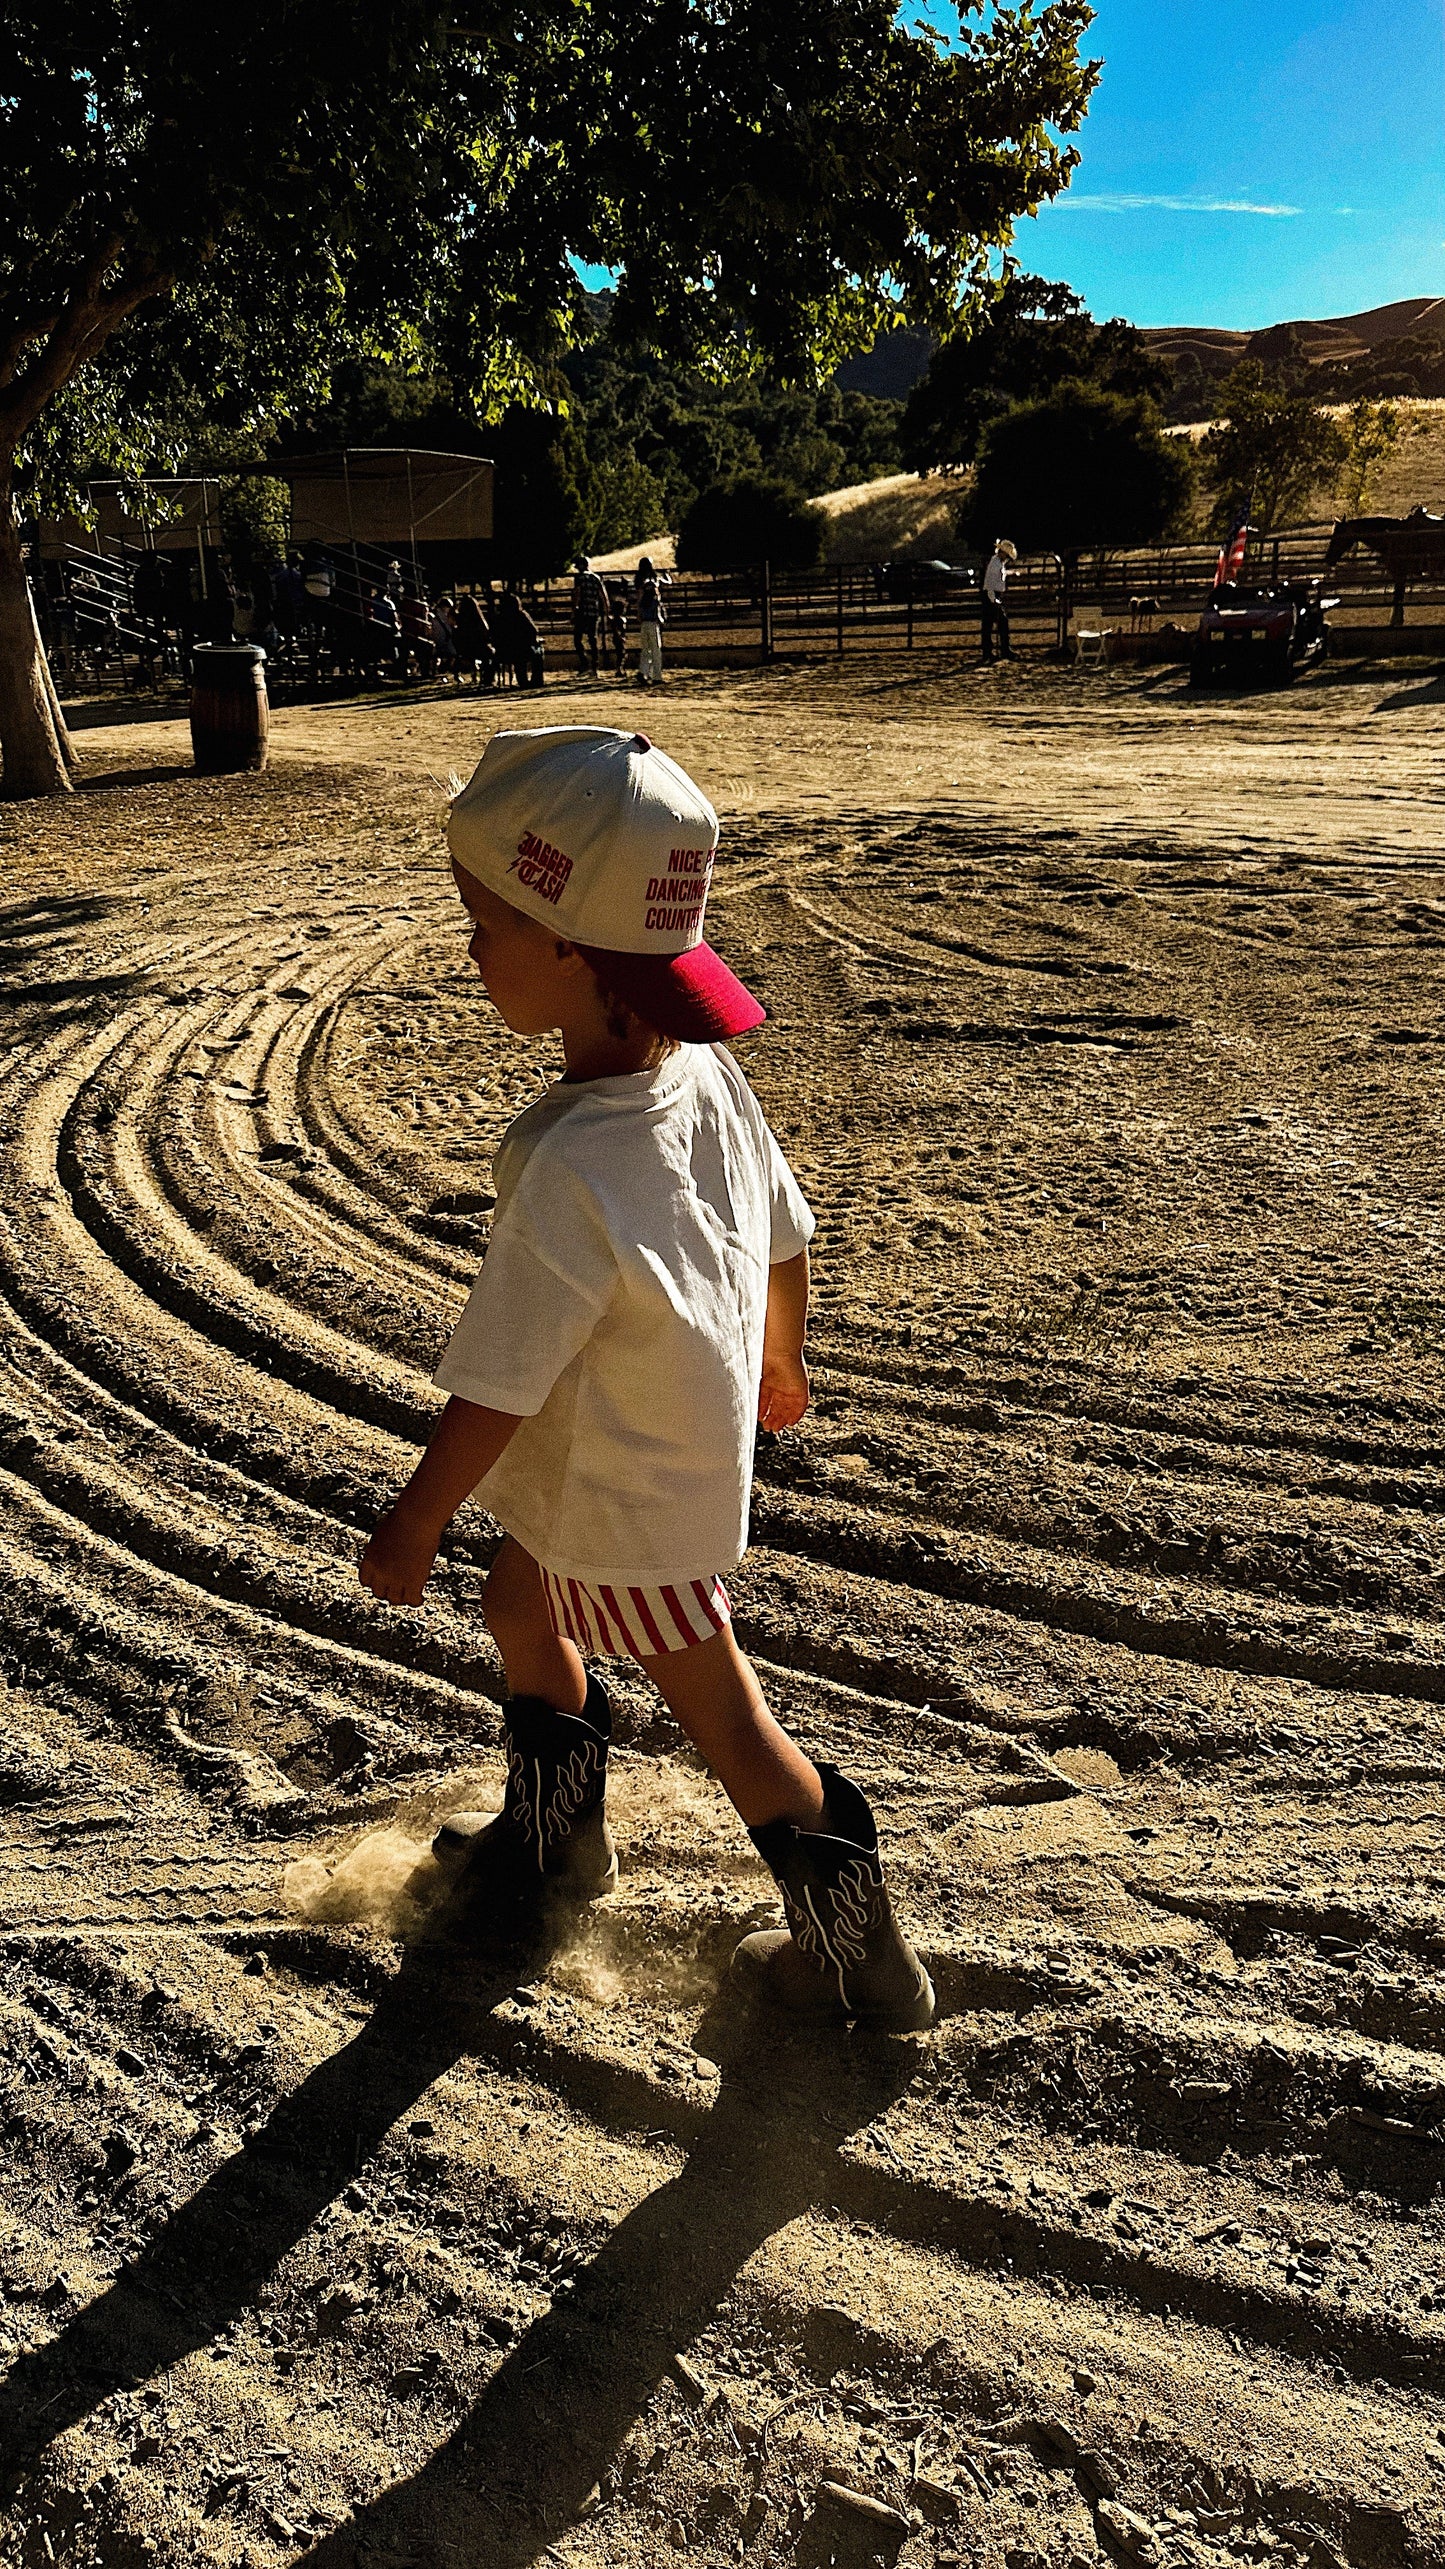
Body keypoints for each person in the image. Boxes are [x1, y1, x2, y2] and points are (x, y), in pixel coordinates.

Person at [357, 725, 934, 2032]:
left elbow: (499, 1379)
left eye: (485, 922)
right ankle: (557, 1844)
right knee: (520, 1605)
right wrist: (783, 1352)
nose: (469, 948)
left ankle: (861, 1961)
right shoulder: (702, 1074)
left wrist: (417, 1515)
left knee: (731, 1725)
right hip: (641, 1457)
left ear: (569, 947)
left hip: (631, 1497)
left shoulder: (572, 1171)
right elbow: (784, 1226)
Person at [492, 583, 543, 690]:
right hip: (523, 650)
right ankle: (536, 680)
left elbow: (493, 635)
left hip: (503, 652)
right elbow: (533, 630)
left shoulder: (498, 618)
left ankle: (522, 681)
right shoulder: (521, 615)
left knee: (519, 656)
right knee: (538, 652)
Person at [980, 536, 1016, 663]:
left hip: (993, 595)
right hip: (992, 595)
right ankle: (1000, 650)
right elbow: (990, 582)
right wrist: (993, 599)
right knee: (997, 623)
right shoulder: (995, 563)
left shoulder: (997, 562)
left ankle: (991, 652)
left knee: (992, 624)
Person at [635, 555, 668, 686]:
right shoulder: (654, 583)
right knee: (656, 648)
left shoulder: (640, 582)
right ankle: (657, 676)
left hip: (644, 620)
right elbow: (667, 581)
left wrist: (638, 613)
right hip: (653, 619)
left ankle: (644, 672)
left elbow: (639, 600)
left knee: (646, 648)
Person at [570, 556, 606, 675]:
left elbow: (577, 593)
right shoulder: (596, 578)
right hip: (593, 611)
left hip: (582, 612)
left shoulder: (579, 578)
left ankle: (584, 663)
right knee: (593, 638)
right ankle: (595, 667)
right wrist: (605, 609)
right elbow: (602, 595)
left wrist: (574, 610)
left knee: (577, 639)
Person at [454, 588, 492, 689]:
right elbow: (486, 634)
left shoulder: (460, 620)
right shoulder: (479, 621)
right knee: (489, 654)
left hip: (464, 650)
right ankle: (487, 678)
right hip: (479, 649)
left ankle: (468, 675)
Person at [606, 578, 629, 676]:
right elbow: (618, 629)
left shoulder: (615, 619)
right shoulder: (620, 619)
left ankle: (620, 669)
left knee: (621, 653)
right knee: (622, 654)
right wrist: (621, 637)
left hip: (617, 638)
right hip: (619, 638)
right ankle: (620, 669)